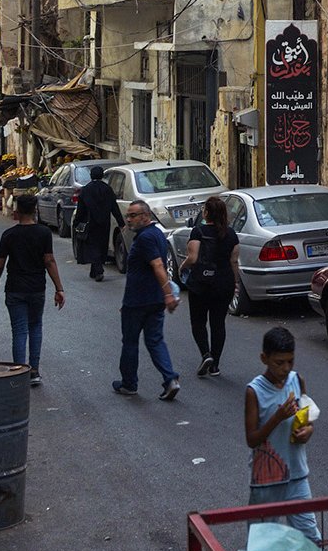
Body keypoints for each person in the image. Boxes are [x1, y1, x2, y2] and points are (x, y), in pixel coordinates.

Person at [245, 325, 320, 543]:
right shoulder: (254, 391)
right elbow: (252, 439)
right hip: (267, 480)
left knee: (310, 540)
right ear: (264, 358)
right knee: (263, 545)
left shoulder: (297, 380)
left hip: (297, 474)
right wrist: (278, 417)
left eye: (290, 361)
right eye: (279, 363)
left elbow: (306, 418)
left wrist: (308, 431)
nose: (285, 368)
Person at [0, 193, 66, 388]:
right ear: (35, 210)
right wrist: (59, 288)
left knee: (19, 331)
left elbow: (0, 264)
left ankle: (18, 371)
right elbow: (49, 261)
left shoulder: (8, 235)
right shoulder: (43, 233)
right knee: (35, 327)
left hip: (14, 288)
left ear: (16, 211)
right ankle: (34, 371)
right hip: (36, 289)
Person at [114, 199, 181, 401]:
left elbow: (158, 265)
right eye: (128, 215)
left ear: (146, 216)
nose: (129, 219)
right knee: (155, 340)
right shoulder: (156, 234)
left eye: (133, 215)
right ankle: (170, 379)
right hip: (153, 299)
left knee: (131, 342)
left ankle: (129, 383)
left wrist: (168, 293)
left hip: (139, 301)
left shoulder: (145, 238)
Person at [180, 195, 239, 377]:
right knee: (218, 323)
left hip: (201, 284)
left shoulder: (198, 231)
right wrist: (235, 282)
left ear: (206, 213)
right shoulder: (231, 234)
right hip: (224, 284)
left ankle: (206, 354)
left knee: (198, 322)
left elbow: (193, 258)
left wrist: (182, 268)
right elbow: (234, 261)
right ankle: (215, 365)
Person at [74, 166, 121, 281]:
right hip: (104, 223)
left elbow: (81, 209)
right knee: (102, 245)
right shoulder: (107, 189)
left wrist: (76, 222)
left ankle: (98, 270)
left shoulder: (86, 190)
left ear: (91, 176)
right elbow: (114, 207)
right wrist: (121, 222)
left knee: (93, 246)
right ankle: (94, 270)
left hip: (90, 223)